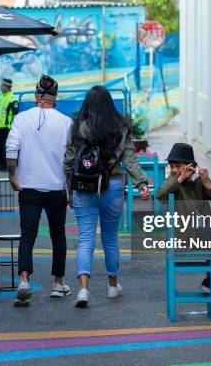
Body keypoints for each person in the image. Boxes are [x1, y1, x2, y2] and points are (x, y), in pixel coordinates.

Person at [64, 85, 150, 308]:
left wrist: (68, 187)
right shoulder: (120, 128)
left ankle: (83, 289)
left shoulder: (78, 127)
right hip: (112, 186)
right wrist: (141, 182)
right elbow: (130, 159)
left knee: (85, 239)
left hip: (84, 186)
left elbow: (69, 160)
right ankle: (113, 286)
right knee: (110, 239)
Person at [6, 75, 73, 307]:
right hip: (56, 188)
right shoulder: (65, 122)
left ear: (36, 95)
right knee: (58, 236)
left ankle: (24, 281)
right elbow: (69, 159)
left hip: (28, 188)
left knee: (28, 235)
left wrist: (12, 176)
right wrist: (70, 189)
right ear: (55, 97)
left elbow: (11, 148)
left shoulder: (21, 119)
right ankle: (58, 282)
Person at [156, 143, 211, 298]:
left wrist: (208, 182)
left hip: (203, 235)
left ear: (190, 166)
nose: (174, 170)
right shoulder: (174, 182)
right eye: (172, 166)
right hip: (184, 237)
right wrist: (180, 177)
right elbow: (161, 195)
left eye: (178, 166)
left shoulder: (199, 181)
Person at [0, 78, 19, 170]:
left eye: (2, 85)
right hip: (0, 126)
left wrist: (13, 126)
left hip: (8, 127)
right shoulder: (0, 96)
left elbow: (16, 114)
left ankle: (8, 166)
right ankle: (3, 165)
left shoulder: (13, 98)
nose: (1, 87)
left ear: (7, 86)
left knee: (8, 147)